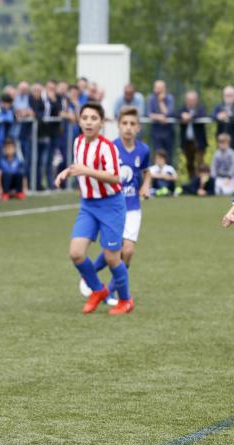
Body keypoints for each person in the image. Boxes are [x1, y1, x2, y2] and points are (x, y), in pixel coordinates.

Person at [54, 102, 133, 315]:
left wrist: (87, 171)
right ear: (79, 121)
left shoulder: (107, 146)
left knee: (111, 257)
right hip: (88, 206)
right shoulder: (78, 142)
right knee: (76, 253)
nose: (88, 122)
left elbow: (115, 176)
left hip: (111, 205)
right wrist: (66, 172)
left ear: (101, 123)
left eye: (93, 118)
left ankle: (125, 300)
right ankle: (98, 290)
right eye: (85, 118)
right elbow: (78, 166)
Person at [80, 107, 150, 303]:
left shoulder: (143, 150)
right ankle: (92, 277)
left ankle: (110, 289)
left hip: (133, 207)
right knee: (112, 250)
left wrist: (145, 187)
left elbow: (147, 171)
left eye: (132, 124)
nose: (128, 128)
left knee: (127, 251)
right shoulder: (110, 147)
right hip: (112, 206)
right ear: (118, 126)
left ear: (138, 127)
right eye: (124, 124)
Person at [178, 90, 208, 180]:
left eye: (193, 99)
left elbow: (203, 114)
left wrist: (190, 117)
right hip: (187, 141)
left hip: (198, 141)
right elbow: (175, 114)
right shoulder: (182, 109)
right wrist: (182, 115)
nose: (191, 101)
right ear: (186, 100)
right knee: (189, 163)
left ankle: (202, 183)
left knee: (200, 163)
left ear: (197, 100)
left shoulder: (200, 108)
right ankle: (193, 183)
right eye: (189, 99)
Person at [147, 80, 175, 165]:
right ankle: (156, 176)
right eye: (156, 87)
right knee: (157, 153)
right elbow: (149, 113)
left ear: (164, 89)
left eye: (159, 88)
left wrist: (161, 102)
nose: (157, 90)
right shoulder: (151, 98)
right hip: (156, 131)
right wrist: (159, 117)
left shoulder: (169, 98)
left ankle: (168, 175)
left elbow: (168, 113)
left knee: (168, 155)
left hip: (168, 131)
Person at [213, 85, 234, 156]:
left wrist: (229, 115)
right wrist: (218, 116)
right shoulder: (219, 106)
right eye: (227, 95)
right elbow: (212, 115)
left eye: (231, 95)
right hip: (221, 139)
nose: (229, 97)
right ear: (223, 96)